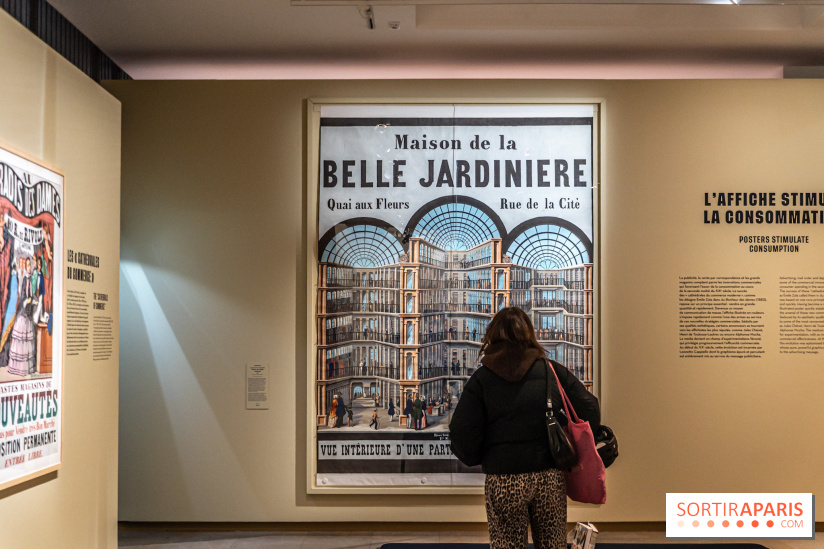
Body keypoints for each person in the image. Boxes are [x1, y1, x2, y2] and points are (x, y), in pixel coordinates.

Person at [449, 307, 600, 549]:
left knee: (507, 545)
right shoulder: (550, 370)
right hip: (549, 476)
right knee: (552, 545)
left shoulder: (482, 379)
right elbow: (590, 408)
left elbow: (461, 431)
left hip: (503, 478)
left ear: (492, 336)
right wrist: (564, 431)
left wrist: (482, 456)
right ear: (528, 334)